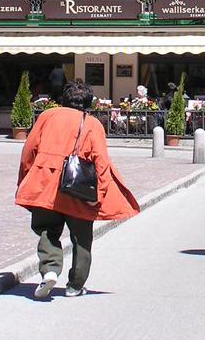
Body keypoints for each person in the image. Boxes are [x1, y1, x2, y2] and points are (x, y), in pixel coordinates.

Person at [15, 79, 139, 299]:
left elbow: (29, 150)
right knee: (82, 238)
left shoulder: (46, 116)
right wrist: (98, 195)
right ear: (88, 102)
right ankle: (75, 285)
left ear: (64, 99)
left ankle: (50, 270)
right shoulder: (92, 124)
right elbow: (101, 162)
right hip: (78, 187)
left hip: (46, 182)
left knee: (47, 229)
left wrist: (26, 179)